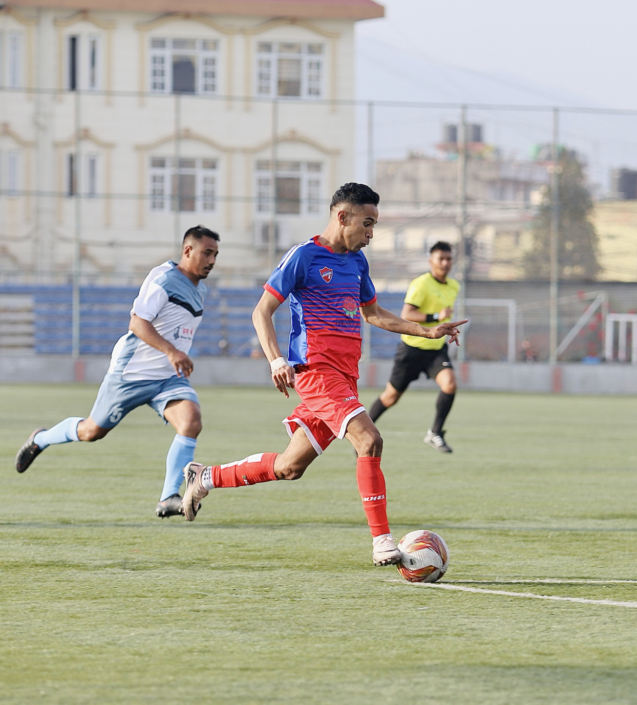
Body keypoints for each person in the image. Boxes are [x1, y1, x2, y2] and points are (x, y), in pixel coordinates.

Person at [181, 183, 466, 566]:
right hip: (316, 372)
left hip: (345, 377)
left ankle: (205, 477)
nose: (371, 234)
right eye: (367, 223)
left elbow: (373, 314)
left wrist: (427, 332)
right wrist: (276, 360)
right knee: (369, 440)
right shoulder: (305, 255)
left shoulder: (357, 263)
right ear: (342, 217)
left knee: (289, 467)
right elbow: (261, 311)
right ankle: (382, 541)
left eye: (374, 225)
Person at [14, 225, 220, 517]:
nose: (212, 260)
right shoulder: (164, 278)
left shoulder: (201, 289)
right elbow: (137, 322)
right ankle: (40, 439)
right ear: (187, 250)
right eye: (207, 253)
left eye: (215, 255)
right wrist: (172, 352)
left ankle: (168, 498)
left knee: (191, 421)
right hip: (131, 374)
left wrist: (175, 355)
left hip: (166, 378)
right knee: (91, 431)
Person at [368, 241, 460, 453]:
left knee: (450, 384)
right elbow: (407, 314)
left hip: (436, 350)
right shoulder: (421, 284)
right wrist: (435, 316)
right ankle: (362, 433)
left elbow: (445, 318)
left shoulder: (454, 286)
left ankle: (435, 433)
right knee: (390, 397)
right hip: (412, 349)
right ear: (431, 261)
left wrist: (449, 328)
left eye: (449, 259)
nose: (445, 263)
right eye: (441, 259)